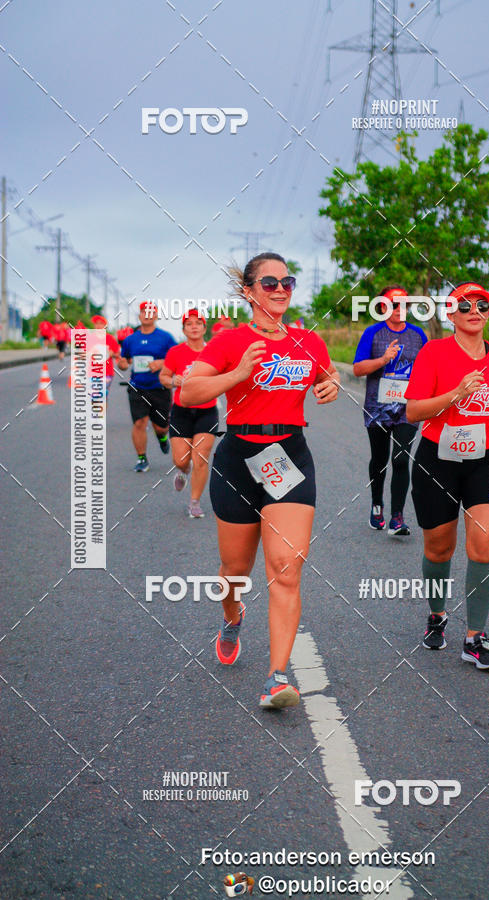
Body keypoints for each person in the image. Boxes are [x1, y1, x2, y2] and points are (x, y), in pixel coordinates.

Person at [180, 252, 339, 709]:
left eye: (287, 281)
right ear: (249, 291)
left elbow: (327, 375)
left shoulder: (308, 340)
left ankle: (277, 677)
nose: (281, 289)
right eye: (270, 283)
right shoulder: (231, 341)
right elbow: (189, 391)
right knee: (234, 571)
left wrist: (329, 385)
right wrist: (237, 374)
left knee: (286, 567)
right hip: (238, 458)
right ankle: (232, 617)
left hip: (288, 456)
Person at [405, 282, 489, 670]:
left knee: (484, 544)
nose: (474, 310)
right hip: (438, 459)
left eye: (482, 305)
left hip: (486, 459)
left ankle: (475, 638)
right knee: (438, 549)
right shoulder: (434, 352)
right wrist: (457, 394)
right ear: (451, 314)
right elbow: (413, 411)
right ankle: (437, 615)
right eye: (465, 305)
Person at [353, 286, 427, 536]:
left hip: (408, 407)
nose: (400, 309)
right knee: (380, 459)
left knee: (401, 459)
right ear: (382, 306)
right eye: (394, 304)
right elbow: (358, 369)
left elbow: (429, 367)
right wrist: (383, 360)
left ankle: (397, 517)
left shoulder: (418, 334)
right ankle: (377, 505)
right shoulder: (373, 333)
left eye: (405, 304)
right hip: (378, 407)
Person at [160, 309, 218, 518]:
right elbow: (164, 377)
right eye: (189, 324)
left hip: (207, 411)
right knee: (181, 459)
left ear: (204, 328)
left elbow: (226, 375)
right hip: (181, 412)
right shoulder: (175, 352)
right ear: (184, 329)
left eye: (198, 323)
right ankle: (183, 470)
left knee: (200, 458)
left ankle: (194, 502)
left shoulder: (214, 351)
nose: (194, 327)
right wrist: (172, 380)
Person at [117, 301, 176, 472]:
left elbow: (178, 358)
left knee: (161, 427)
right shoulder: (130, 339)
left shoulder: (166, 337)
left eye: (151, 312)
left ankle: (162, 438)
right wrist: (122, 364)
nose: (147, 315)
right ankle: (142, 458)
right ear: (139, 315)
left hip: (160, 387)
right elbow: (124, 360)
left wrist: (161, 363)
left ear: (156, 316)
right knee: (139, 423)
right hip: (137, 387)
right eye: (144, 312)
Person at [91, 314, 121, 405]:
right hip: (92, 372)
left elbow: (118, 354)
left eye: (101, 323)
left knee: (102, 395)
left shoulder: (110, 338)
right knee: (94, 397)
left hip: (107, 372)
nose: (98, 326)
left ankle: (100, 412)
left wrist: (112, 354)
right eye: (96, 323)